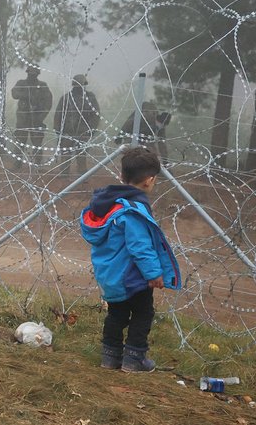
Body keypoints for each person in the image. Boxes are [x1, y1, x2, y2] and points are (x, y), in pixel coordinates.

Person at [79, 147, 181, 372]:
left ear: (121, 176)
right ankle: (134, 358)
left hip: (110, 274)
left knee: (116, 313)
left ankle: (110, 356)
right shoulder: (133, 210)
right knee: (143, 312)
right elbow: (140, 247)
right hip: (132, 276)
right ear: (149, 180)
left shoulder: (107, 205)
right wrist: (154, 274)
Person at [54, 74, 100, 174]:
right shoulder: (66, 98)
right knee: (65, 154)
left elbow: (95, 115)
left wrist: (91, 130)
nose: (79, 88)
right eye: (77, 86)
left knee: (82, 155)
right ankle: (65, 173)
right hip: (67, 131)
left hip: (83, 131)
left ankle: (82, 174)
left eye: (80, 86)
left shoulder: (90, 98)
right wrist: (58, 130)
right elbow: (58, 115)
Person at [11, 65, 53, 166]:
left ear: (37, 74)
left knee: (37, 142)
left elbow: (48, 103)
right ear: (27, 73)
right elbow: (14, 93)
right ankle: (17, 163)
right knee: (20, 141)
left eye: (34, 74)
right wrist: (26, 95)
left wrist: (41, 116)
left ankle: (37, 163)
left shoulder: (42, 86)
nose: (32, 76)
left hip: (37, 118)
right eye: (30, 74)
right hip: (23, 118)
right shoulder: (21, 83)